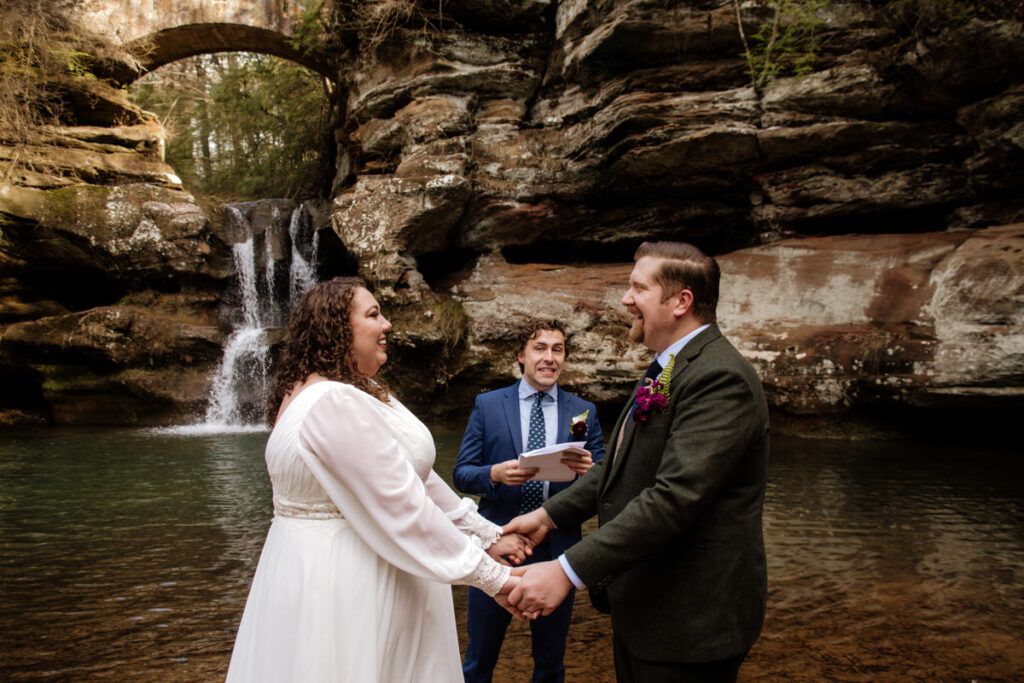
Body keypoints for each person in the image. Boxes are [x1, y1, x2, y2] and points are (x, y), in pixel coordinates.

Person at [226, 276, 529, 682]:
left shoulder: (334, 391)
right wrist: (495, 579)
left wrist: (487, 535)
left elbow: (414, 477)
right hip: (347, 578)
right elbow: (401, 503)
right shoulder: (333, 402)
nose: (387, 324)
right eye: (373, 315)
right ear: (336, 330)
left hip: (322, 564)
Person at [504, 242, 770, 682]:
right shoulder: (666, 368)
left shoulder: (720, 378)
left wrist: (567, 571)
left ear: (681, 301)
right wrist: (549, 515)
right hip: (648, 605)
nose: (626, 300)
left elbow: (673, 498)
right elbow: (621, 468)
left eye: (638, 288)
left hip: (691, 620)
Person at [453, 319, 606, 682]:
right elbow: (461, 473)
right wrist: (493, 474)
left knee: (551, 663)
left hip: (558, 552)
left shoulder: (582, 412)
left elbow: (603, 477)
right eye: (540, 348)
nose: (549, 357)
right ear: (521, 355)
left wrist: (590, 469)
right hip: (499, 546)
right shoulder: (488, 405)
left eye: (558, 349)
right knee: (479, 660)